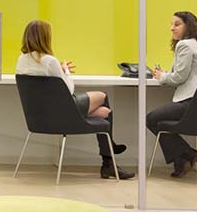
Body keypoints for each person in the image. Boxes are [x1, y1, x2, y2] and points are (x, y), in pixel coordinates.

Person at [16, 18, 131, 180]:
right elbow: (69, 90)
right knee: (102, 96)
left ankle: (109, 161)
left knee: (104, 112)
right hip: (63, 113)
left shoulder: (21, 60)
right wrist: (66, 71)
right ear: (45, 37)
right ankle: (109, 156)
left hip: (41, 117)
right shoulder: (50, 61)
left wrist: (59, 71)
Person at [147, 11, 197, 178]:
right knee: (161, 122)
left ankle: (189, 154)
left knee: (151, 119)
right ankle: (181, 161)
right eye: (171, 24)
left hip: (190, 102)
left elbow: (179, 77)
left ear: (188, 26)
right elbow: (183, 73)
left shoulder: (184, 45)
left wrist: (161, 77)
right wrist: (165, 74)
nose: (172, 28)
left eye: (177, 24)